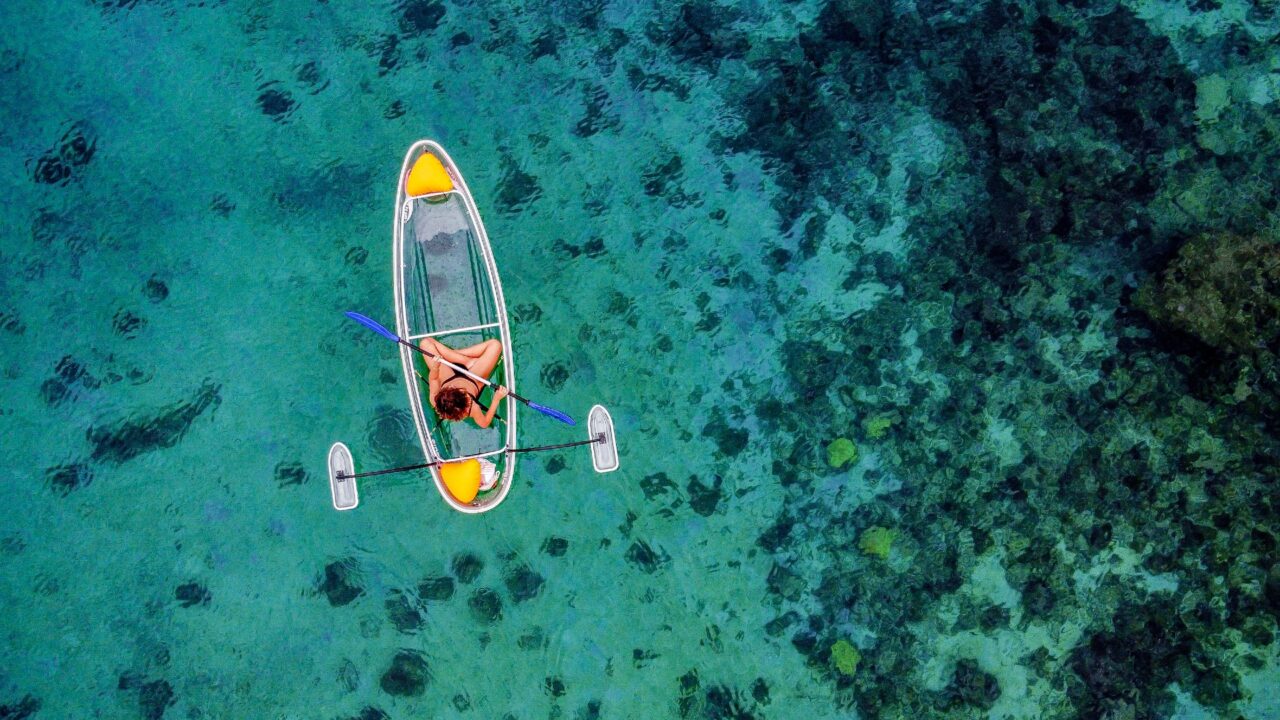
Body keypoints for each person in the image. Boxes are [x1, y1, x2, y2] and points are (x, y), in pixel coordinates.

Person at [420, 337, 508, 429]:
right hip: (473, 379)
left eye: (451, 388)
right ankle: (452, 355)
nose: (455, 385)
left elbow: (433, 379)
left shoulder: (435, 399)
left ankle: (463, 360)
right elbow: (484, 423)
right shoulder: (472, 407)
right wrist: (496, 399)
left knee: (425, 343)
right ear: (467, 401)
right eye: (462, 392)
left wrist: (435, 367)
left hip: (448, 377)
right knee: (495, 345)